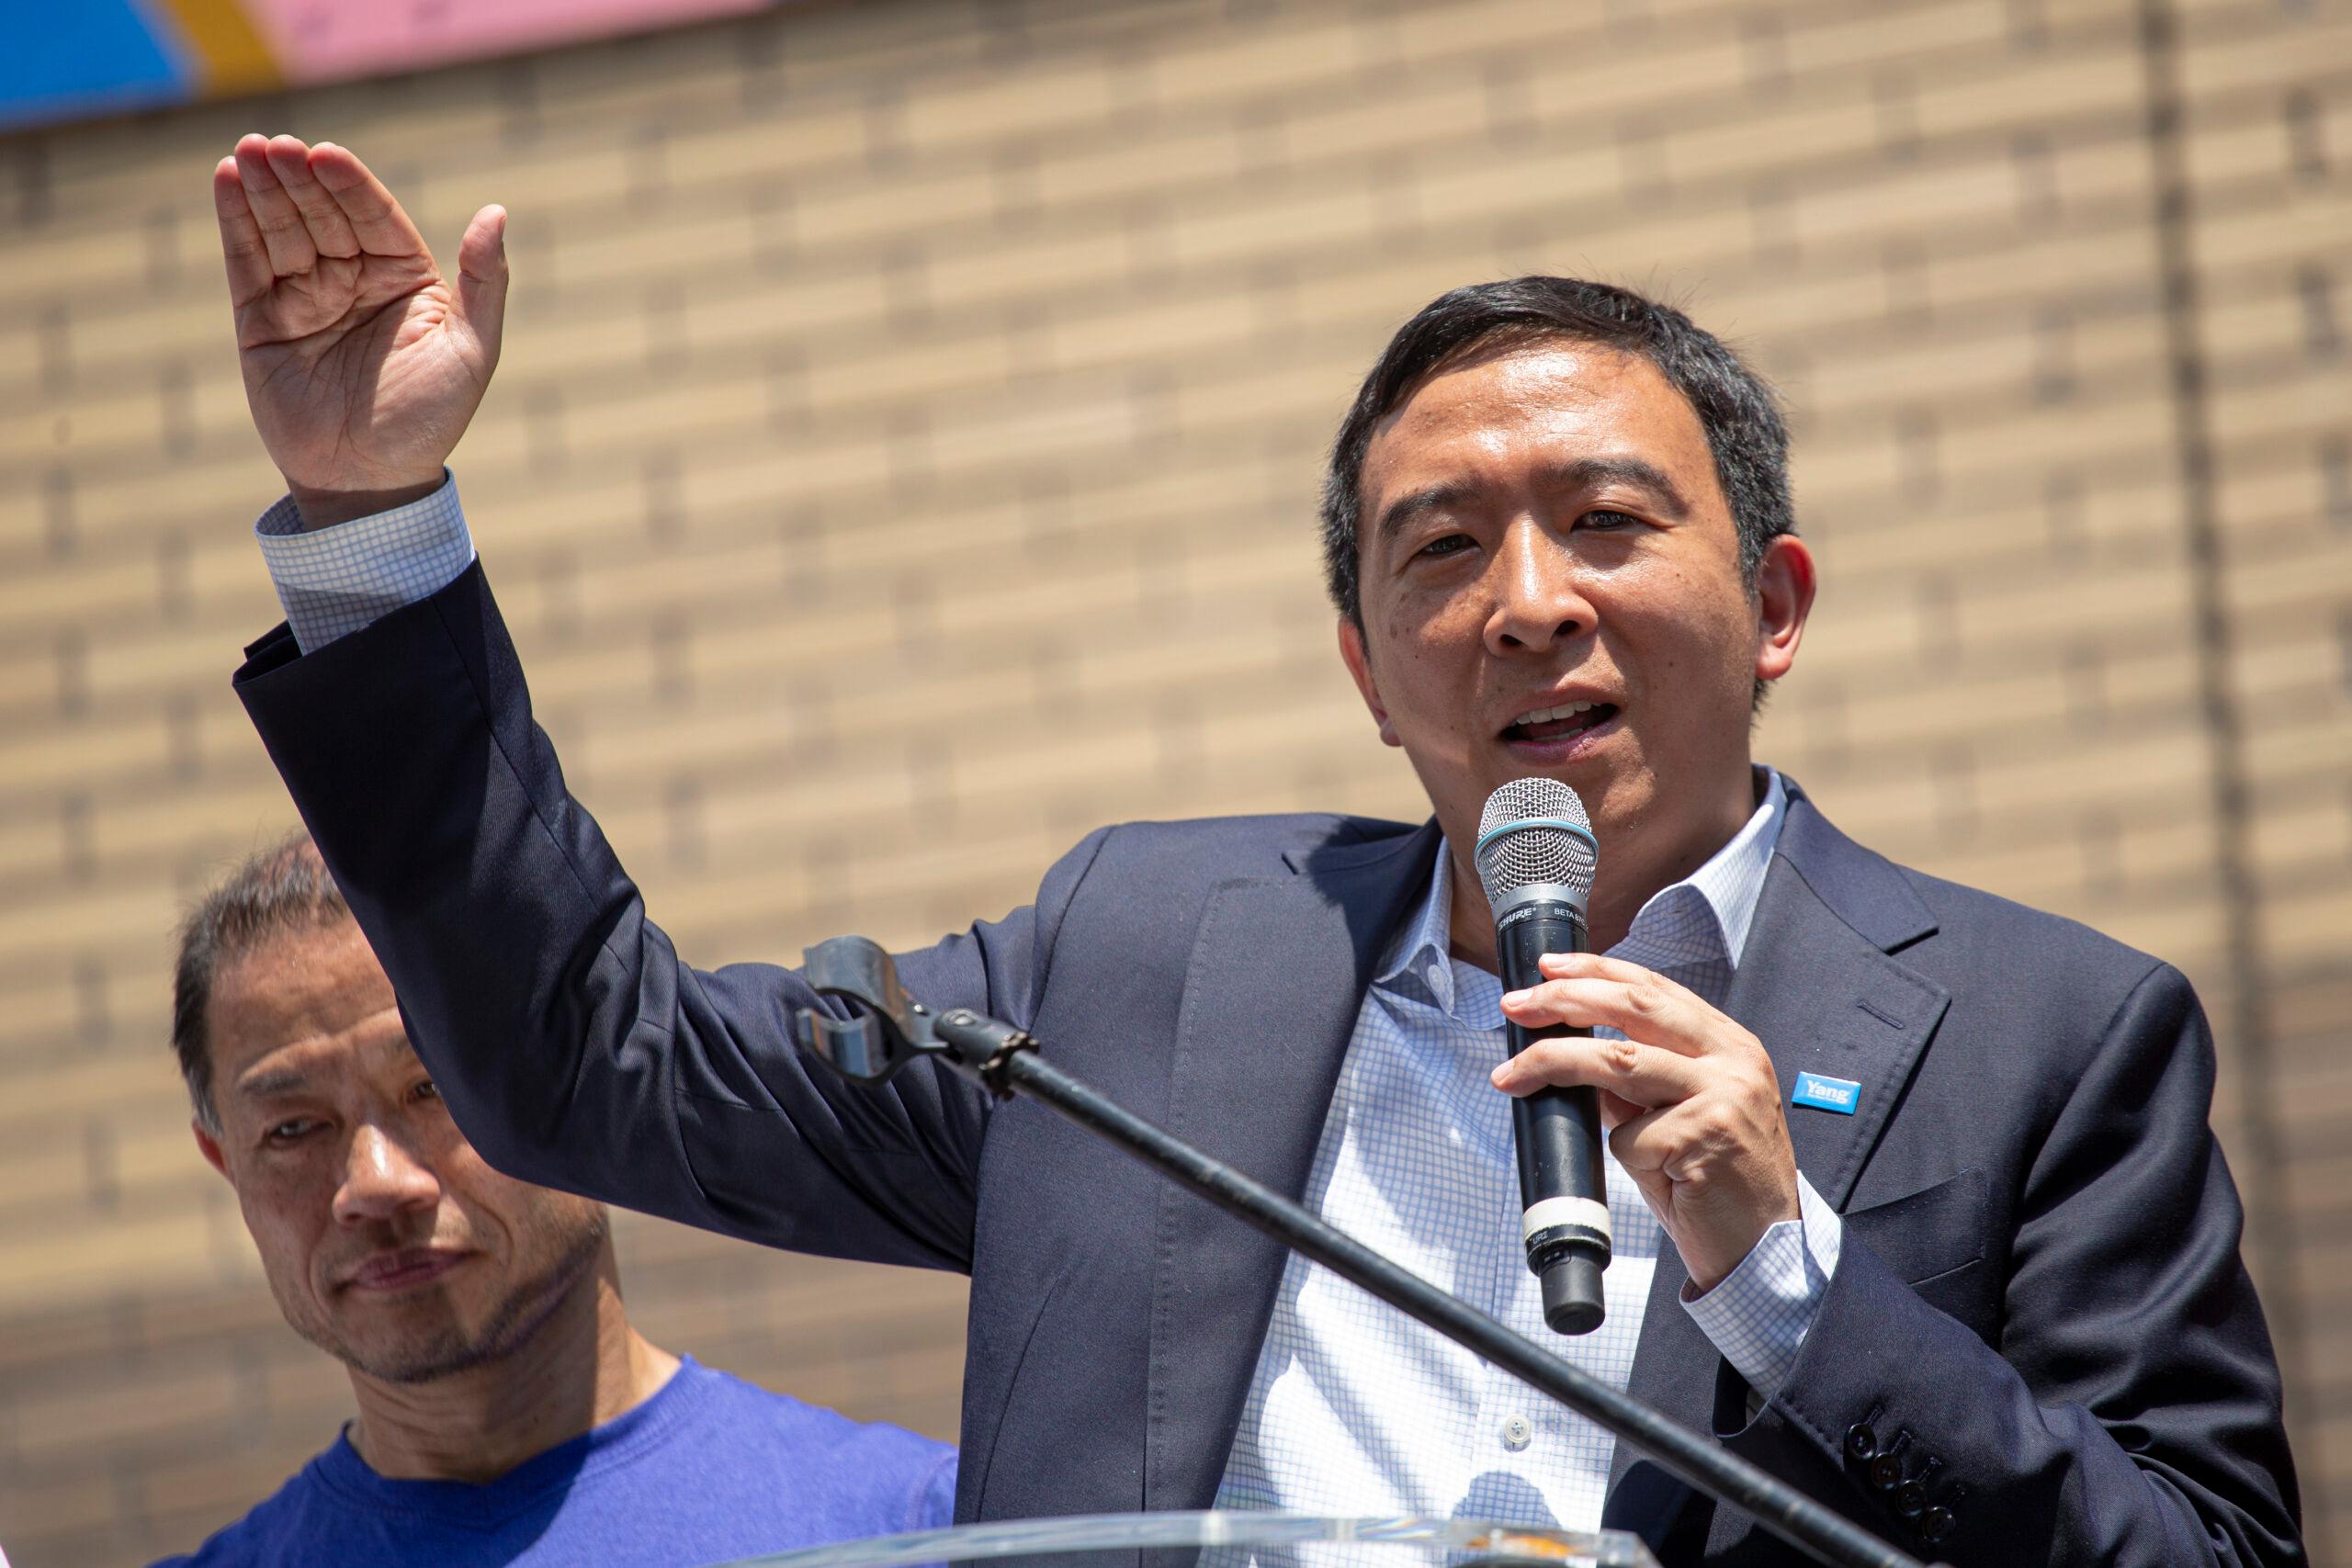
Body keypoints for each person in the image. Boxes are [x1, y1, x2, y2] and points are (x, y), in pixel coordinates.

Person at [209, 131, 2301, 1565]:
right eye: (1441, 549)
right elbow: (593, 1060)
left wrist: (1784, 1267)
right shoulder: (1146, 955)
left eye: (1603, 522)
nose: (1527, 602)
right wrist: (380, 530)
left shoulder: (2044, 1036)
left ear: (1773, 604)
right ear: (1366, 668)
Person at [154, 833, 956, 1567]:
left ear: (583, 1086)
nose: (374, 1181)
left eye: (435, 1087)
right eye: (293, 1128)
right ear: (226, 1165)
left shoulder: (914, 1534)